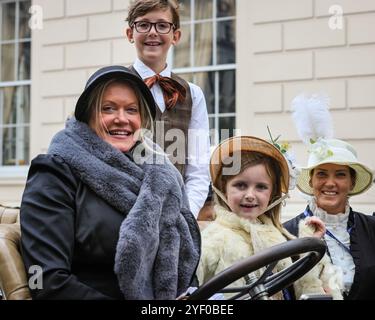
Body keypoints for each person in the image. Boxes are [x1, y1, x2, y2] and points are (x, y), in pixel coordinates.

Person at [20, 65, 200, 300]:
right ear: (88, 116)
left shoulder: (161, 175)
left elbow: (184, 256)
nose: (121, 119)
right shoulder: (55, 173)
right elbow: (47, 281)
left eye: (131, 110)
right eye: (108, 108)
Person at [196, 136, 343, 300]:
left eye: (261, 187)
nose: (250, 195)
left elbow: (307, 287)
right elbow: (189, 288)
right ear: (224, 189)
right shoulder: (212, 241)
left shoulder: (281, 238)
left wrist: (309, 248)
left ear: (272, 194)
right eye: (240, 185)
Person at [125, 0, 210, 218]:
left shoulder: (193, 94)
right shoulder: (115, 85)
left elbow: (198, 169)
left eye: (162, 25)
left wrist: (184, 216)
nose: (153, 32)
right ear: (130, 33)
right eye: (143, 25)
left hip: (176, 214)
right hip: (123, 210)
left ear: (176, 36)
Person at [283, 138, 375, 300]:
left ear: (351, 182)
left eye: (340, 175)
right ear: (311, 181)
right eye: (322, 174)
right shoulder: (286, 233)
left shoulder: (372, 227)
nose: (330, 183)